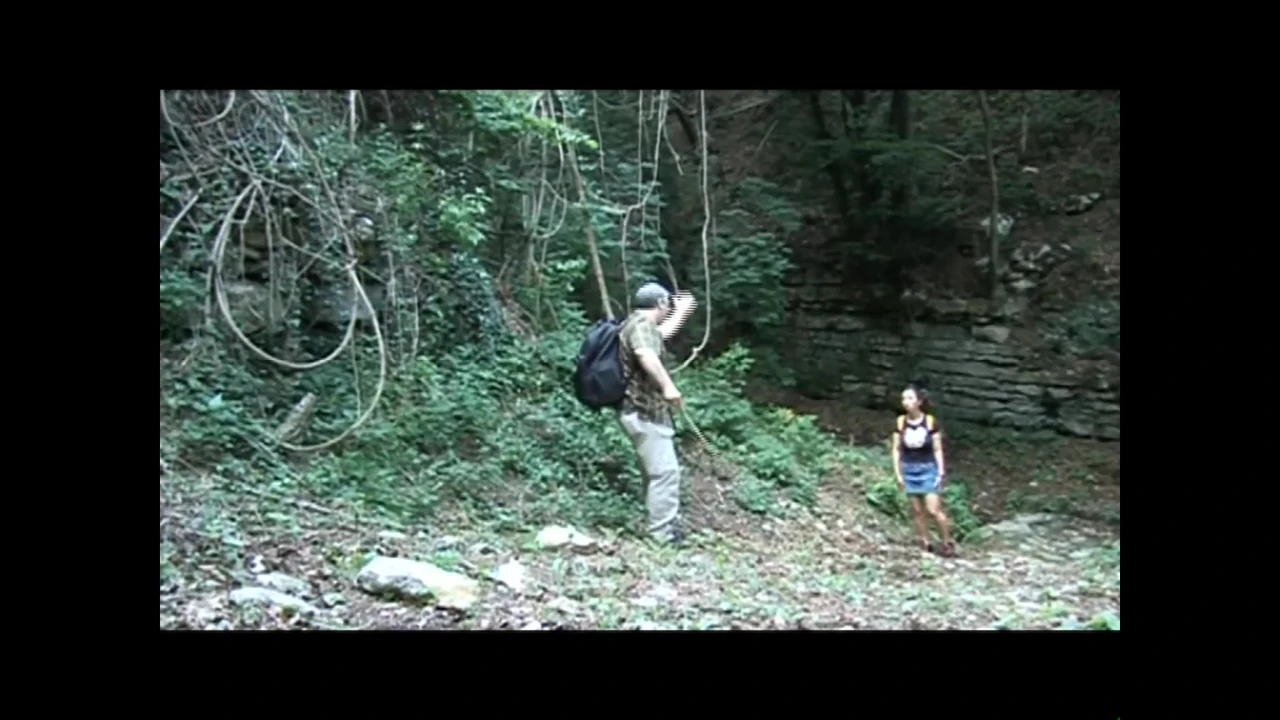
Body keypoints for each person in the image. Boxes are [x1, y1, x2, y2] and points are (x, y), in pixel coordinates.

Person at [617, 282, 692, 545]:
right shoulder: (641, 326)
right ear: (660, 303)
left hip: (639, 412)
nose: (669, 307)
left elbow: (661, 334)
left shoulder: (637, 324)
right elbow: (646, 353)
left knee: (655, 473)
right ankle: (661, 535)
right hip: (643, 412)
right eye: (668, 304)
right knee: (666, 473)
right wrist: (668, 386)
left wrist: (681, 311)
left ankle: (658, 528)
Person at [891, 384, 955, 557]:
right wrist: (898, 473)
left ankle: (947, 541)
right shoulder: (900, 422)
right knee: (917, 511)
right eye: (904, 398)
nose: (906, 402)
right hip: (909, 469)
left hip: (928, 468)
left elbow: (937, 448)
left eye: (910, 398)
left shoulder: (930, 422)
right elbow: (896, 449)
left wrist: (940, 470)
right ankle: (925, 542)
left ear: (919, 402)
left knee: (933, 510)